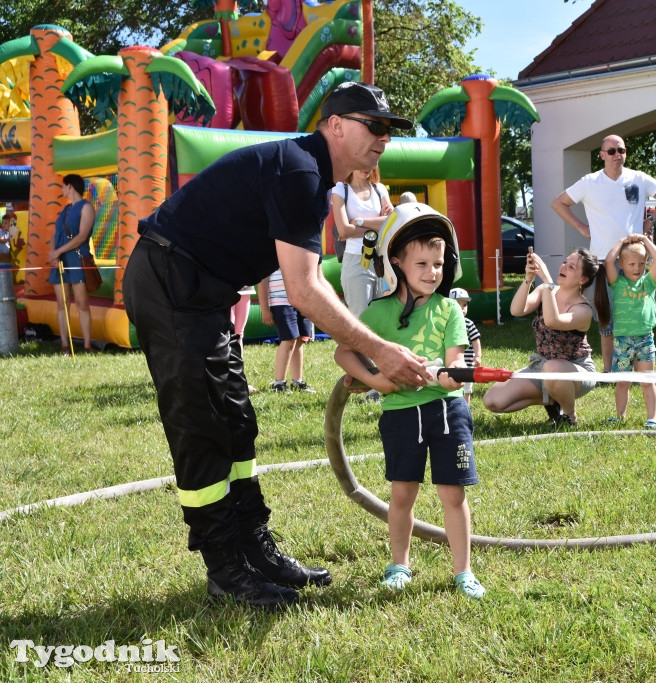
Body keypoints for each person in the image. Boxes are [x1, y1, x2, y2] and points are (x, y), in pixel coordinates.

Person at [122, 81, 431, 610]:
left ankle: (254, 549)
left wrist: (367, 348)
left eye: (389, 130)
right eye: (373, 126)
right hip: (169, 283)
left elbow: (311, 281)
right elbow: (306, 291)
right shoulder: (301, 171)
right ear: (335, 125)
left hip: (203, 292)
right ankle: (225, 569)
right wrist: (381, 351)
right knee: (202, 430)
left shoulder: (311, 176)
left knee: (237, 421)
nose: (383, 138)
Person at [334, 203, 485, 599]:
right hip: (401, 415)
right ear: (396, 261)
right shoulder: (378, 313)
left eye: (438, 264)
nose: (432, 272)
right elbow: (344, 353)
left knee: (454, 494)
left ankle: (463, 572)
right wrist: (375, 381)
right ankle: (399, 565)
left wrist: (452, 372)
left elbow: (455, 358)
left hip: (449, 413)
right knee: (403, 494)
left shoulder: (449, 308)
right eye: (421, 263)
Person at [551, 134, 656, 371]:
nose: (617, 154)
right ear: (602, 156)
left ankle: (640, 364)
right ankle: (609, 370)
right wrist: (581, 227)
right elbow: (558, 203)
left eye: (621, 150)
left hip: (634, 261)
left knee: (637, 316)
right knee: (606, 320)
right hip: (603, 261)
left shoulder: (638, 178)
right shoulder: (590, 182)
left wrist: (649, 221)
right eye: (611, 151)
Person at [483, 248, 604, 427]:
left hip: (576, 371)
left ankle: (570, 417)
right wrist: (528, 278)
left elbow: (552, 321)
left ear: (583, 279)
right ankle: (551, 400)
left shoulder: (583, 310)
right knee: (492, 400)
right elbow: (516, 310)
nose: (563, 267)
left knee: (552, 366)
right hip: (543, 366)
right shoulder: (544, 290)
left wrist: (547, 280)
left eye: (571, 267)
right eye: (565, 262)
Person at [604, 234, 656, 428]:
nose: (637, 268)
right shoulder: (617, 284)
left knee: (647, 381)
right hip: (622, 342)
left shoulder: (648, 283)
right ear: (621, 264)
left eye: (641, 263)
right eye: (631, 264)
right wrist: (622, 242)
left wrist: (645, 241)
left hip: (645, 339)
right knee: (623, 382)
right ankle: (619, 416)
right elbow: (608, 260)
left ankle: (652, 418)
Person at [331, 167, 394, 317]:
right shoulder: (340, 189)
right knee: (361, 320)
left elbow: (391, 222)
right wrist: (377, 227)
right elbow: (344, 231)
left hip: (380, 261)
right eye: (361, 163)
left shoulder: (379, 189)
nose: (365, 168)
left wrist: (359, 222)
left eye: (370, 164)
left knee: (380, 320)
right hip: (355, 260)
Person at [47, 174, 96, 354]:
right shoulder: (65, 209)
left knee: (82, 303)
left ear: (70, 186)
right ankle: (64, 346)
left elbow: (82, 237)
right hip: (60, 260)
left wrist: (58, 252)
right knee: (62, 303)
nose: (61, 189)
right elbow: (54, 234)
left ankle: (87, 346)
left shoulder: (87, 208)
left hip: (76, 258)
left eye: (63, 186)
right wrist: (53, 253)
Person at [259, 269, 315, 393]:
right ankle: (279, 383)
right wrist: (264, 309)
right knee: (288, 340)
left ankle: (297, 381)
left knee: (299, 339)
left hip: (301, 301)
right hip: (280, 302)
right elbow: (263, 281)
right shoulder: (272, 254)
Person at [448, 287, 481, 403]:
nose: (462, 309)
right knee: (451, 386)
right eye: (458, 305)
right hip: (451, 364)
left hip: (467, 364)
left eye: (464, 305)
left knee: (467, 389)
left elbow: (475, 340)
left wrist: (478, 356)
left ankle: (466, 406)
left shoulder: (468, 323)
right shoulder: (446, 324)